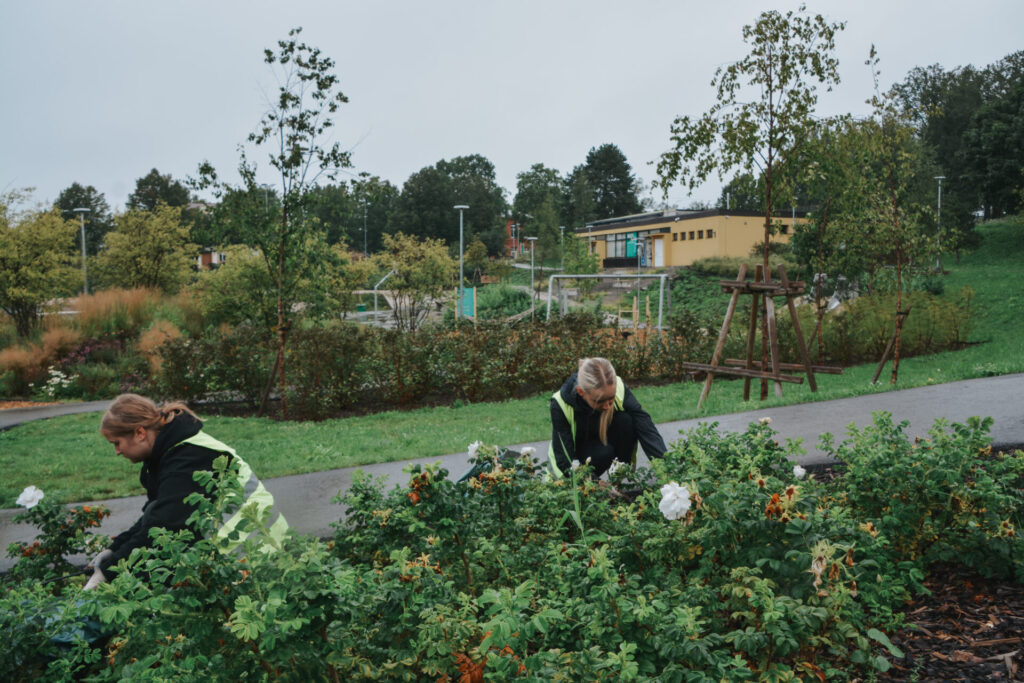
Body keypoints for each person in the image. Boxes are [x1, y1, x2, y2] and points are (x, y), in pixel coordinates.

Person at [84, 394, 287, 590]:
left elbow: (163, 527)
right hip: (242, 553)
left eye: (117, 443)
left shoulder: (188, 458)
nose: (117, 451)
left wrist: (107, 573)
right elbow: (154, 517)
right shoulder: (172, 451)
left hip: (257, 556)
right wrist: (114, 551)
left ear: (139, 433)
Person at [548, 357, 667, 478]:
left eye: (611, 398)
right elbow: (565, 460)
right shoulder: (559, 404)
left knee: (626, 420)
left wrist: (665, 470)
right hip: (573, 459)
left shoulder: (619, 385)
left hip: (600, 444)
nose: (607, 406)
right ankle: (589, 487)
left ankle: (618, 476)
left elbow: (645, 427)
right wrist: (594, 483)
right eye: (599, 401)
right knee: (604, 454)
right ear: (581, 392)